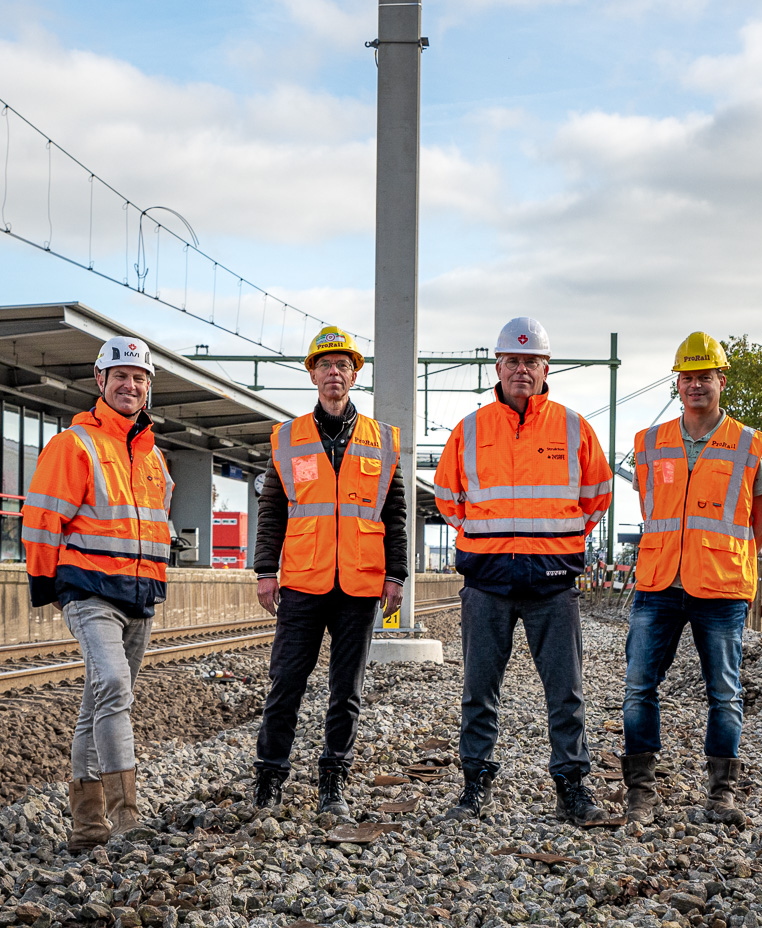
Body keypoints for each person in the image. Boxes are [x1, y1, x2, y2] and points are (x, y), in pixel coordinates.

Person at [434, 317, 615, 825]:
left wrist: (556, 539)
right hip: (486, 583)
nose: (520, 370)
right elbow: (448, 497)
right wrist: (488, 536)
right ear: (497, 366)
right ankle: (475, 785)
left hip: (553, 583)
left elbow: (597, 494)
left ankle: (572, 787)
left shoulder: (574, 427)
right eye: (512, 361)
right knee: (478, 689)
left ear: (545, 368)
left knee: (565, 690)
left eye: (530, 361)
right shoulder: (470, 430)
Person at [22, 335, 174, 853]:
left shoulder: (154, 457)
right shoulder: (75, 444)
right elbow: (42, 518)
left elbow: (156, 527)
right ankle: (126, 815)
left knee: (98, 702)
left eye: (140, 378)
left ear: (149, 387)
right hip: (88, 590)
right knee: (113, 684)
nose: (130, 385)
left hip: (139, 595)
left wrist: (156, 584)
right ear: (100, 382)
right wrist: (48, 585)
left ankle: (87, 829)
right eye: (121, 377)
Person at [619, 331, 762, 826]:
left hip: (721, 587)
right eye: (687, 378)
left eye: (704, 377)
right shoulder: (650, 443)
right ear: (677, 383)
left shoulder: (749, 444)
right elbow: (652, 507)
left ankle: (721, 796)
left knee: (724, 692)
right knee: (639, 687)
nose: (695, 386)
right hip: (659, 582)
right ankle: (641, 794)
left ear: (720, 381)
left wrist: (720, 556)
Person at [250, 326, 407, 817]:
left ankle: (332, 783)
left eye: (343, 365)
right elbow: (273, 510)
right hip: (301, 581)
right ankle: (269, 777)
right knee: (285, 685)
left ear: (354, 374)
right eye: (325, 364)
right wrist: (264, 570)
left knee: (347, 691)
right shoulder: (288, 439)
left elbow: (395, 514)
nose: (334, 372)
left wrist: (396, 575)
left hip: (359, 584)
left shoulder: (383, 441)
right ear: (313, 374)